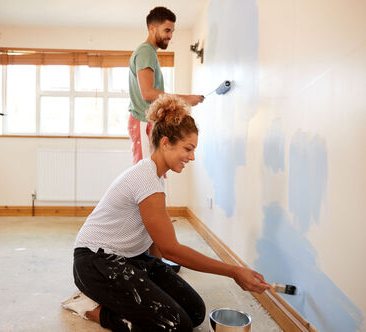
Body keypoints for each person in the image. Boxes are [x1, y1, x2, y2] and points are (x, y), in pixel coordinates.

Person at [69, 94, 272, 331]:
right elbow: (171, 250)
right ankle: (92, 308)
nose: (192, 156)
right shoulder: (146, 180)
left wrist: (156, 276)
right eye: (188, 148)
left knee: (195, 311)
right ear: (165, 142)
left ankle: (121, 301)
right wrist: (234, 271)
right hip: (95, 262)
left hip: (131, 258)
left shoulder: (156, 177)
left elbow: (155, 240)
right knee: (175, 325)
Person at [128, 6, 204, 164]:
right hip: (143, 120)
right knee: (146, 174)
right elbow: (147, 93)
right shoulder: (145, 52)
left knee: (154, 172)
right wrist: (185, 99)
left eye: (172, 31)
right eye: (167, 30)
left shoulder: (149, 53)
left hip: (147, 122)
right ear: (152, 28)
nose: (170, 36)